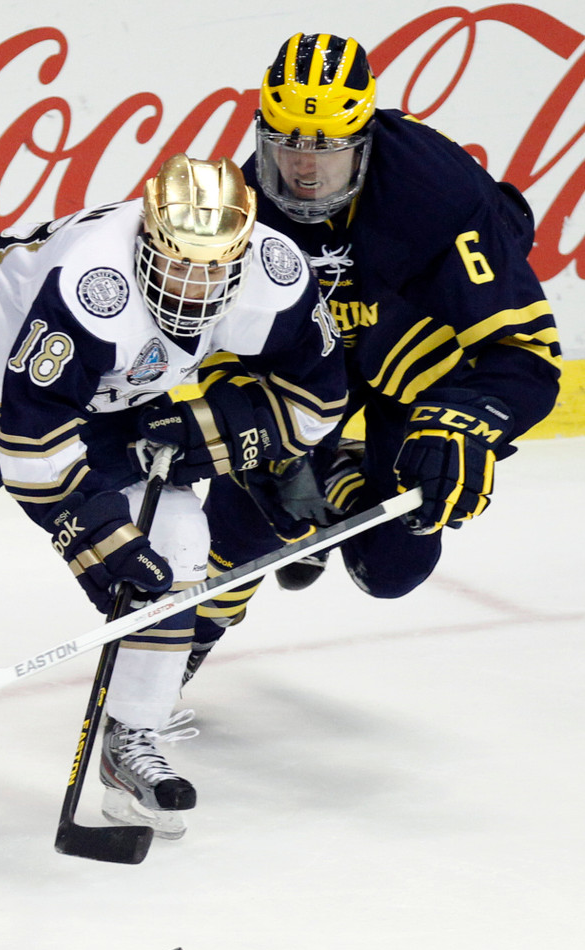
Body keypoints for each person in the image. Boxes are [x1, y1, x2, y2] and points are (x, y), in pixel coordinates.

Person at [0, 152, 348, 838]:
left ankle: (133, 743)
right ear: (148, 240)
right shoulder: (95, 287)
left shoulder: (275, 275)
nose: (194, 287)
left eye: (213, 268)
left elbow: (315, 402)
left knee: (177, 540)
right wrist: (99, 541)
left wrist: (203, 431)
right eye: (178, 264)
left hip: (104, 398)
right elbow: (31, 445)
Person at [184, 32, 561, 682]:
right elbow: (218, 345)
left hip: (416, 362)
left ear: (364, 141)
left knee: (391, 571)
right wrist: (258, 439)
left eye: (326, 150)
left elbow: (524, 354)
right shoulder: (245, 210)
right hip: (312, 363)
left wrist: (468, 423)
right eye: (286, 146)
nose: (303, 171)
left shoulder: (437, 192)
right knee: (246, 520)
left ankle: (341, 473)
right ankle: (182, 647)